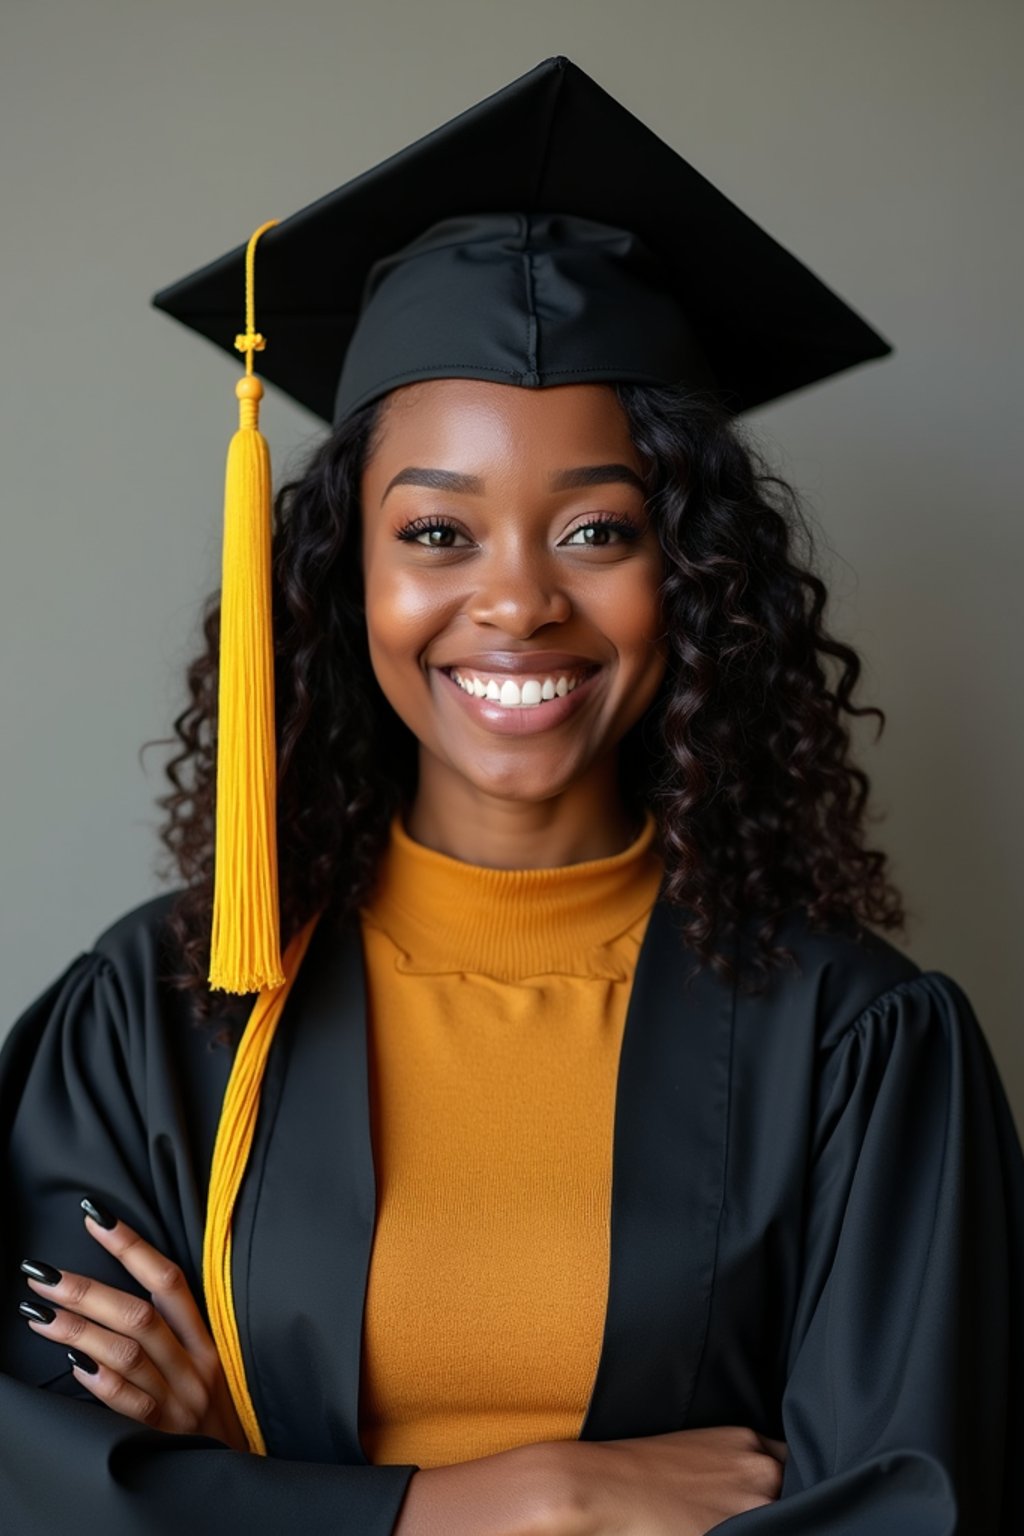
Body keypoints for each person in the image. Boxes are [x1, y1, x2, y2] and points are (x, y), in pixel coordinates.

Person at [2, 54, 1022, 1536]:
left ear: (694, 577)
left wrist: (248, 1481)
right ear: (344, 576)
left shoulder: (857, 1047)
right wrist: (504, 1503)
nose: (518, 602)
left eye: (600, 528)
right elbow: (37, 1484)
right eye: (438, 531)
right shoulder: (161, 1016)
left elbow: (905, 1508)